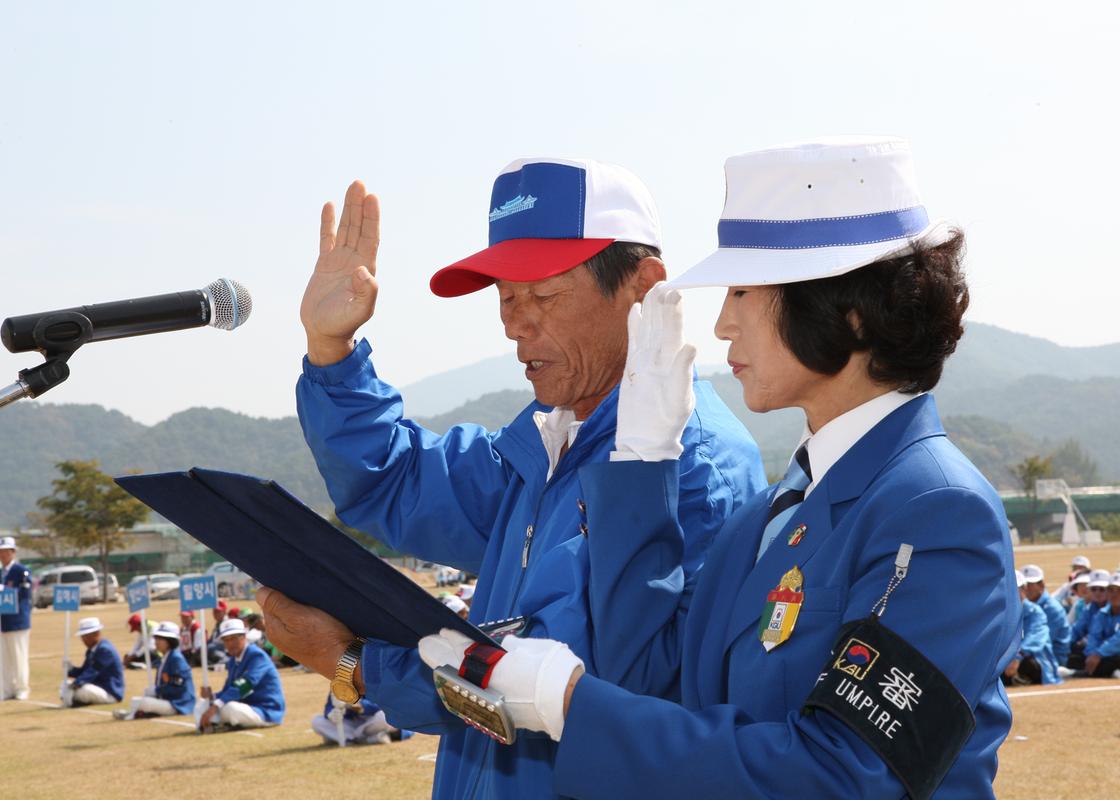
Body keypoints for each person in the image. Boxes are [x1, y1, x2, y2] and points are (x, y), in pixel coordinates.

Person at [415, 137, 1021, 798]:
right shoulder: (776, 513)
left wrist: (568, 703)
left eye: (742, 290)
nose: (725, 323)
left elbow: (845, 775)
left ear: (847, 308)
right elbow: (643, 673)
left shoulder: (935, 509)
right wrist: (641, 466)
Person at [263, 160, 765, 796]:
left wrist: (355, 668)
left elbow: (561, 689)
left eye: (545, 295)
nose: (514, 322)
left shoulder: (690, 468)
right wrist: (331, 350)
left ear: (642, 288)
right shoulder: (541, 442)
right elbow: (396, 478)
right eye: (505, 296)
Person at [195, 618, 284, 731]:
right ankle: (207, 727)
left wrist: (216, 704)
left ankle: (218, 725)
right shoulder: (233, 660)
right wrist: (212, 697)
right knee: (203, 703)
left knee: (229, 708)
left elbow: (246, 683)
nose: (230, 643)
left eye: (234, 638)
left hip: (265, 710)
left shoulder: (256, 655)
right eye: (226, 640)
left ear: (244, 637)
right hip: (246, 706)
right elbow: (228, 689)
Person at [113, 621, 195, 719]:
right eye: (156, 638)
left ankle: (131, 715)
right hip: (168, 700)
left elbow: (178, 687)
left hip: (179, 704)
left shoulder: (176, 659)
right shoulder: (166, 658)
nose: (156, 641)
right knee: (137, 700)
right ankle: (138, 713)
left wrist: (156, 691)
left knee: (143, 702)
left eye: (160, 639)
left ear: (170, 641)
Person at [1003, 570, 1060, 686]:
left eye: (1016, 588)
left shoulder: (1036, 613)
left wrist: (1017, 656)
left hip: (1036, 660)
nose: (1012, 593)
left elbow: (1035, 639)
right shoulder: (1003, 614)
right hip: (1010, 659)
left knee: (1027, 664)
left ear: (1024, 589)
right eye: (1009, 589)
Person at [62, 617, 124, 706]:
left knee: (81, 690)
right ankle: (74, 699)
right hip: (97, 687)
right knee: (65, 684)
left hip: (109, 692)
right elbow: (84, 671)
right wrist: (70, 669)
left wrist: (76, 684)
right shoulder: (91, 650)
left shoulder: (105, 650)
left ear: (97, 633)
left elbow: (93, 671)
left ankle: (73, 701)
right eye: (82, 637)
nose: (83, 640)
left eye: (86, 636)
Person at [0, 536, 32, 700]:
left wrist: (5, 590)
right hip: (2, 621)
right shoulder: (1, 573)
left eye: (6, 552)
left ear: (13, 552)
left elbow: (25, 593)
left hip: (18, 620)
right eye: (1, 552)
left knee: (19, 655)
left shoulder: (21, 571)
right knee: (4, 658)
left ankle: (21, 688)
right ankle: (6, 689)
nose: (3, 555)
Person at [1021, 565, 1071, 667]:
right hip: (1035, 652)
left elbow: (1043, 640)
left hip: (1053, 657)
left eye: (1030, 584)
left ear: (1041, 585)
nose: (1026, 589)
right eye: (1023, 585)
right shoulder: (1026, 605)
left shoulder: (1052, 609)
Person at [311, 691, 393, 746]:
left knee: (384, 716)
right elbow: (329, 706)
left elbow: (383, 704)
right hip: (350, 722)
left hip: (370, 721)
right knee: (317, 721)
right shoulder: (340, 678)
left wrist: (360, 705)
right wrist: (331, 714)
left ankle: (347, 738)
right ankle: (369, 739)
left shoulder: (373, 675)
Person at [1065, 571, 1110, 670]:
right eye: (1093, 589)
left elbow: (1117, 640)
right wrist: (1063, 645)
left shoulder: (1116, 608)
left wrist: (1096, 654)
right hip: (1093, 649)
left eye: (1102, 589)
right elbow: (1076, 631)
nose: (1097, 593)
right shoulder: (1089, 609)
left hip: (1110, 651)